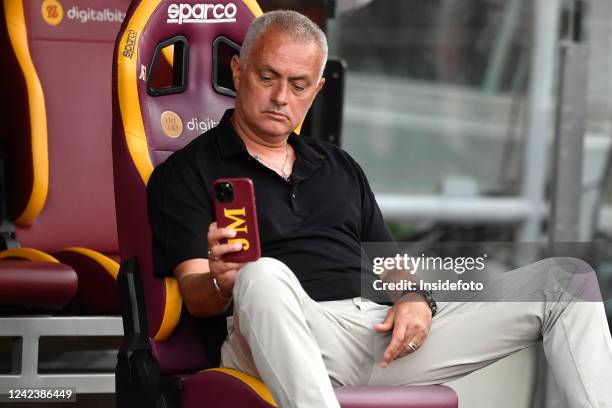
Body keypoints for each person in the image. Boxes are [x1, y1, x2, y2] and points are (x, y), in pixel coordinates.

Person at [147, 10, 612, 408]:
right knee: (261, 274)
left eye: (299, 84)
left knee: (566, 281)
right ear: (238, 70)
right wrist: (222, 280)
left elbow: (388, 265)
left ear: (317, 88)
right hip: (279, 330)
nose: (281, 97)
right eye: (267, 77)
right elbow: (196, 294)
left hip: (376, 332)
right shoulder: (186, 172)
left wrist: (412, 299)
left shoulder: (338, 166)